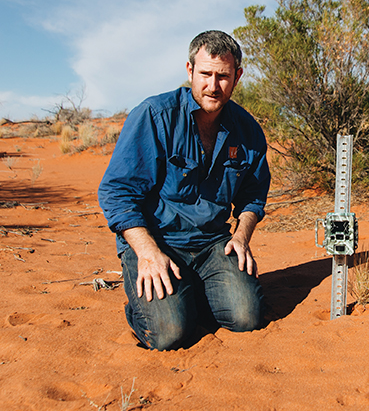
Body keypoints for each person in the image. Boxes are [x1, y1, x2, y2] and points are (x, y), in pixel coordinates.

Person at [98, 30, 271, 350]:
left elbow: (253, 195)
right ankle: (145, 306)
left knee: (247, 317)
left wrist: (241, 236)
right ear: (190, 70)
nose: (213, 85)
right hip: (156, 240)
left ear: (238, 77)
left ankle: (191, 291)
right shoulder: (155, 116)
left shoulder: (247, 130)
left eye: (223, 76)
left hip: (211, 243)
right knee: (170, 333)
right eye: (205, 74)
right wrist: (147, 253)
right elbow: (117, 192)